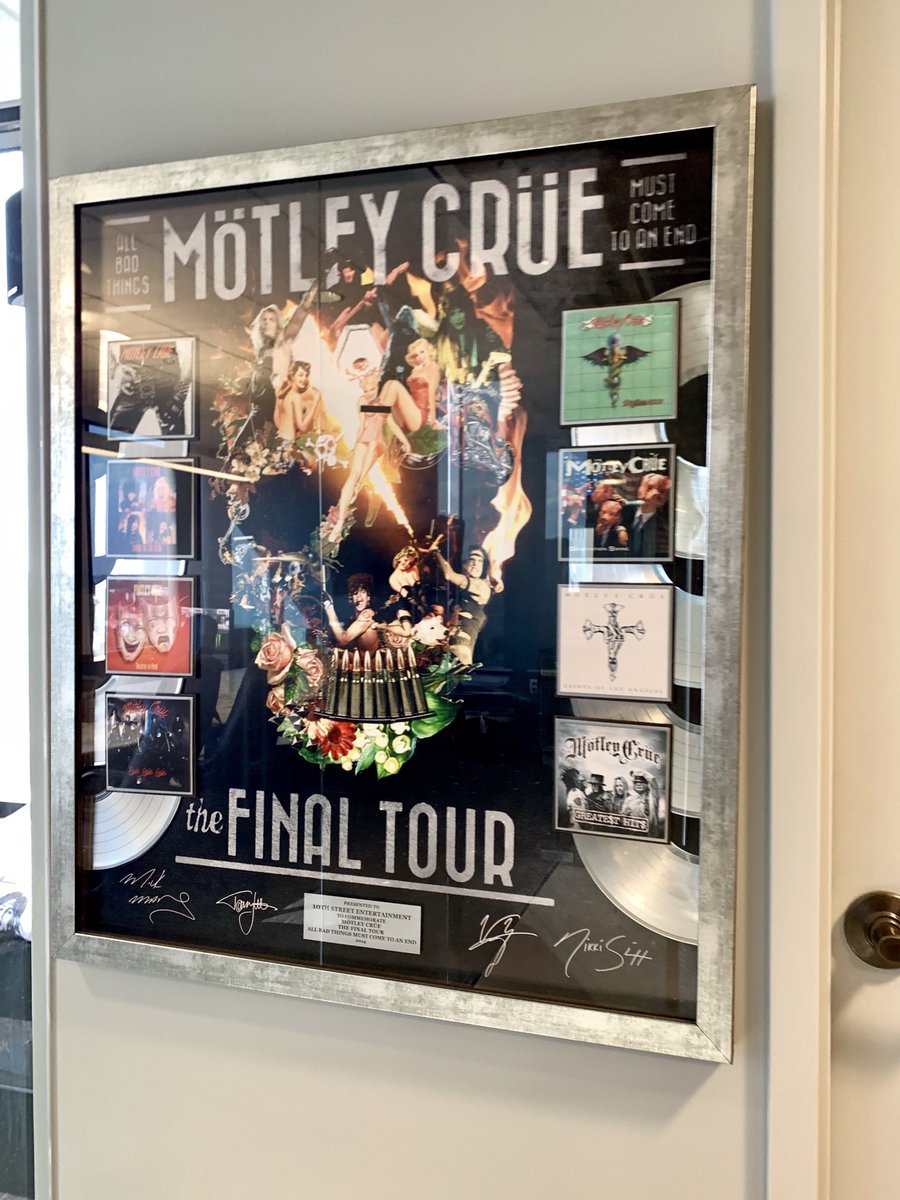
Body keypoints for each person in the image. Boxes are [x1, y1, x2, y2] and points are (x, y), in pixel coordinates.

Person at [327, 359, 412, 541]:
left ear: (377, 385)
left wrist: (406, 442)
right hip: (364, 439)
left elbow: (392, 424)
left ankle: (353, 492)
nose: (369, 392)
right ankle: (339, 522)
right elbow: (362, 425)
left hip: (377, 442)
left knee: (362, 471)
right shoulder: (362, 401)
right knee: (354, 475)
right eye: (366, 390)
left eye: (372, 389)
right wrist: (354, 445)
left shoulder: (383, 404)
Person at [431, 543, 498, 666]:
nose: (475, 564)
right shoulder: (459, 595)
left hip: (461, 647)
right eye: (472, 559)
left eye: (480, 561)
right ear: (464, 564)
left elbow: (449, 574)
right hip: (448, 646)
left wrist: (436, 552)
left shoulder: (481, 586)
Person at [324, 573, 380, 654]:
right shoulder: (354, 619)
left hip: (371, 662)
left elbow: (344, 640)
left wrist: (329, 607)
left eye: (363, 592)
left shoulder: (366, 615)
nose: (359, 596)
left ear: (368, 597)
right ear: (351, 599)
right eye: (355, 593)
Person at [622, 472, 672, 557]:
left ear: (665, 499)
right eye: (650, 488)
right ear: (639, 491)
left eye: (662, 491)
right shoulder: (624, 511)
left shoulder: (663, 527)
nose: (655, 493)